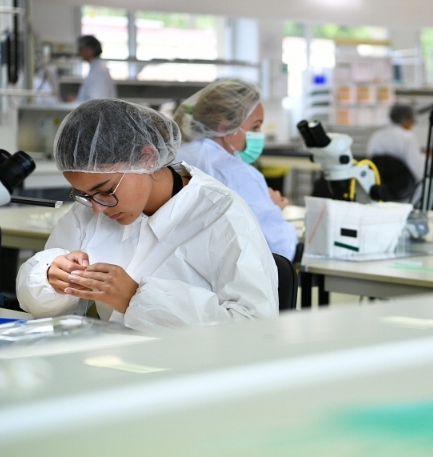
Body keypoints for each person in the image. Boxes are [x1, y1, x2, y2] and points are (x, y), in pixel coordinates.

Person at [16, 99, 278, 330]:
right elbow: (40, 306)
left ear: (147, 158)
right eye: (85, 195)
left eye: (105, 190)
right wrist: (52, 277)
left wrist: (135, 298)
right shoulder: (93, 209)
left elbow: (254, 328)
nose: (97, 208)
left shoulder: (221, 214)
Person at [174, 79, 298, 261]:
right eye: (255, 127)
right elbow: (281, 252)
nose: (259, 134)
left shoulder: (175, 155)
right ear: (224, 127)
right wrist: (274, 209)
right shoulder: (238, 174)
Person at [366, 104, 426, 183]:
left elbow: (371, 162)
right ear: (407, 120)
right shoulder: (408, 137)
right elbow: (418, 170)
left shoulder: (376, 136)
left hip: (380, 187)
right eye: (412, 121)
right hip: (404, 189)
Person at [68, 35, 116, 103]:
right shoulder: (96, 67)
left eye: (81, 49)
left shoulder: (99, 71)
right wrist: (77, 100)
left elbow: (95, 102)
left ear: (90, 49)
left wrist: (76, 101)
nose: (79, 53)